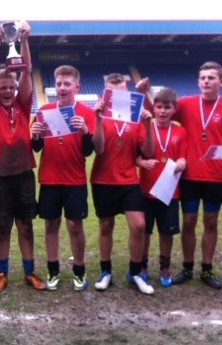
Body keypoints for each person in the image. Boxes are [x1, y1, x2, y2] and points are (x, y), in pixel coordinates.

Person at [0, 21, 45, 292]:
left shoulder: (23, 103)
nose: (7, 91)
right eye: (3, 87)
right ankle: (4, 273)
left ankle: (30, 272)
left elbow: (27, 72)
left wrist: (26, 41)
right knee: (4, 227)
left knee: (25, 225)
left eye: (11, 87)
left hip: (23, 175)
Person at [171, 61, 222, 289]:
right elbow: (159, 109)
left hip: (215, 177)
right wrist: (145, 93)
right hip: (190, 175)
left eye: (211, 78)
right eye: (202, 77)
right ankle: (186, 267)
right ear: (198, 81)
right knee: (189, 221)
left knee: (210, 221)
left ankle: (206, 268)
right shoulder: (185, 104)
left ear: (221, 82)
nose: (206, 81)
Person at [30, 65, 96, 291]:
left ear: (76, 87)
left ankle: (79, 270)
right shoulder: (45, 110)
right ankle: (53, 269)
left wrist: (86, 131)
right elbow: (36, 147)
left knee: (75, 225)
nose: (62, 87)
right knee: (51, 224)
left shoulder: (86, 113)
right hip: (49, 178)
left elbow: (89, 151)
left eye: (67, 83)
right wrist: (35, 134)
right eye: (58, 83)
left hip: (75, 179)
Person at [90, 73, 155, 294]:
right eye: (112, 92)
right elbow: (98, 149)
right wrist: (98, 119)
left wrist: (147, 124)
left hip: (129, 179)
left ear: (128, 93)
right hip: (103, 179)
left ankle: (135, 272)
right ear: (106, 95)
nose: (117, 96)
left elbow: (148, 151)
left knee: (139, 225)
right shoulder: (99, 114)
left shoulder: (136, 117)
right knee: (106, 225)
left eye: (122, 92)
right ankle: (106, 271)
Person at [136, 88, 187, 288]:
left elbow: (183, 155)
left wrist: (182, 161)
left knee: (167, 233)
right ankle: (142, 266)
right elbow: (135, 156)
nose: (163, 111)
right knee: (145, 232)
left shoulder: (181, 131)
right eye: (159, 107)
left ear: (174, 109)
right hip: (146, 191)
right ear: (153, 108)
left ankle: (165, 267)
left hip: (170, 193)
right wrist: (141, 164)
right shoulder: (144, 128)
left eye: (167, 107)